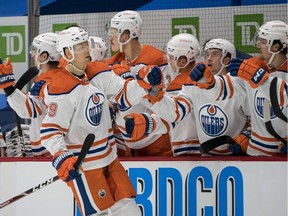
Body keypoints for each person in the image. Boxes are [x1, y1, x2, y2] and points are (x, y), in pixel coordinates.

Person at [40, 27, 143, 215]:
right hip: (86, 168)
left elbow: (125, 93)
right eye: (80, 47)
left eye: (86, 45)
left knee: (131, 210)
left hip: (111, 160)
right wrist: (61, 156)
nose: (87, 50)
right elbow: (50, 132)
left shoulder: (98, 73)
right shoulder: (61, 88)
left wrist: (144, 84)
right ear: (67, 53)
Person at [125, 38, 252, 156]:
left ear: (227, 59)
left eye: (214, 54)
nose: (208, 59)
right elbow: (176, 111)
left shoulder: (241, 85)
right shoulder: (193, 84)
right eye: (207, 55)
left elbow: (257, 117)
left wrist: (248, 136)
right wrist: (153, 96)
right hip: (206, 157)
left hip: (237, 158)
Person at [189, 20, 287, 156]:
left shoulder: (257, 71)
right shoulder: (253, 66)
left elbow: (282, 97)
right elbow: (229, 86)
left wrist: (261, 78)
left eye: (263, 42)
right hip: (255, 152)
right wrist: (208, 82)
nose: (258, 45)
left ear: (276, 46)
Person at [106, 10, 174, 156]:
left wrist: (129, 80)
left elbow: (166, 102)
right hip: (127, 141)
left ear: (125, 36)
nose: (110, 37)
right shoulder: (113, 63)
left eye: (114, 33)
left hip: (155, 140)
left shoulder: (157, 59)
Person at [0, 32, 62, 157]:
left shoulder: (47, 82)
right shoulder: (61, 76)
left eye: (36, 50)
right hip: (57, 147)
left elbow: (30, 109)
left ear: (44, 56)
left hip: (50, 151)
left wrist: (8, 87)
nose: (33, 54)